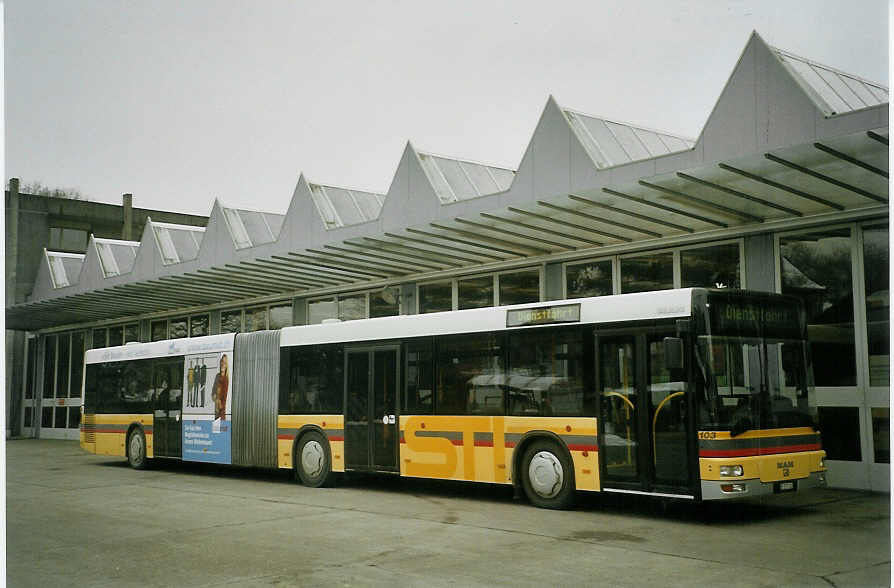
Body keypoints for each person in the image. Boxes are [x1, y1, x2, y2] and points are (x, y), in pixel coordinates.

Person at [212, 354, 229, 420]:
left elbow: (225, 398)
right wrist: (216, 399)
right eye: (222, 361)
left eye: (224, 363)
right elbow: (213, 393)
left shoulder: (226, 379)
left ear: (226, 365)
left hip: (222, 411)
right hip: (216, 411)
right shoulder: (217, 376)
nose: (222, 364)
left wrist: (220, 403)